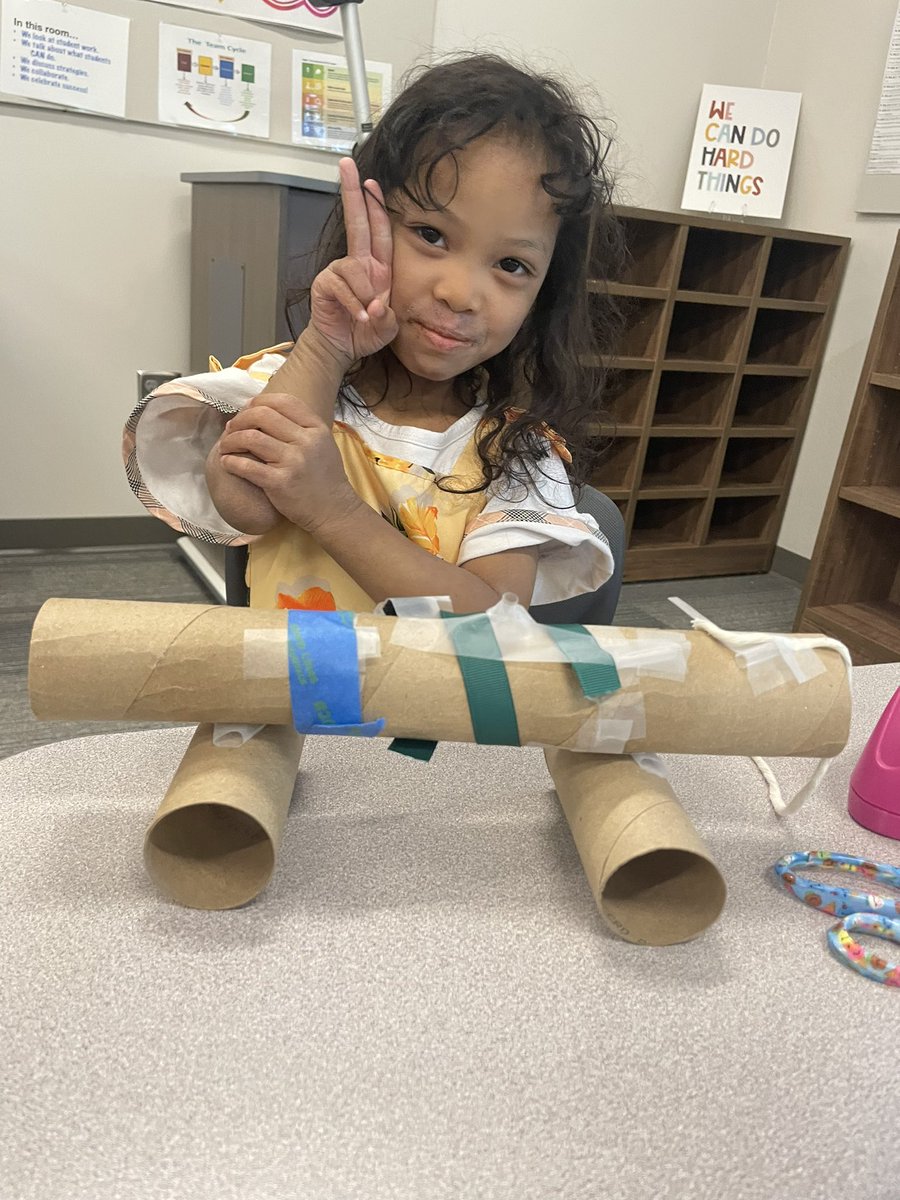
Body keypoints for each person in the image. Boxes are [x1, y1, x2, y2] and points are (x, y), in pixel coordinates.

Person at [124, 54, 623, 615]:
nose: (460, 293)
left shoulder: (516, 457)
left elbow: (490, 623)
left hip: (425, 704)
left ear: (543, 295)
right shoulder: (292, 382)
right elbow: (246, 505)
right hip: (291, 699)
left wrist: (332, 509)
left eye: (511, 265)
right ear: (370, 220)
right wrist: (326, 345)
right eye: (431, 234)